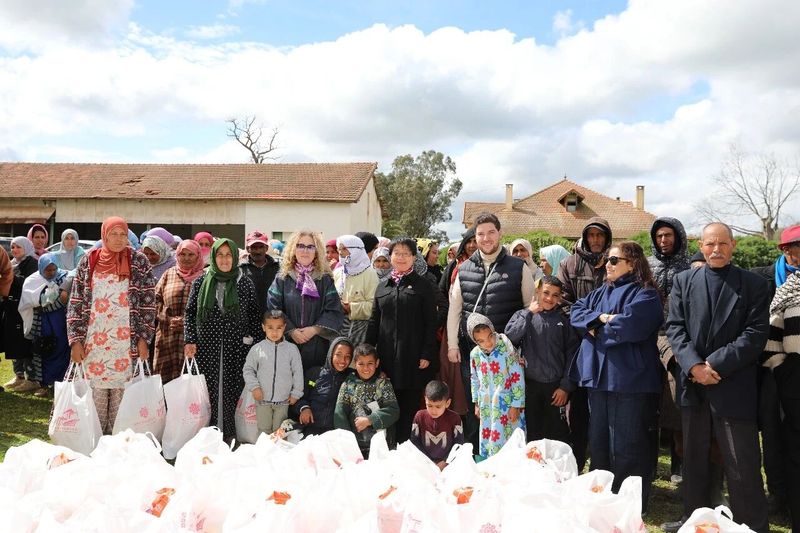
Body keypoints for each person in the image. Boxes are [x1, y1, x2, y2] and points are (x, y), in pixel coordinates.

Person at [662, 222, 770, 533]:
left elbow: (755, 334)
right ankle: (695, 521)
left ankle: (751, 525)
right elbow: (675, 328)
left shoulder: (754, 284)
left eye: (723, 243)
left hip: (733, 384)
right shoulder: (684, 281)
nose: (716, 249)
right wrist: (694, 366)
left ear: (733, 245)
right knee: (694, 460)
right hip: (694, 385)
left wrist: (714, 364)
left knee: (741, 463)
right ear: (701, 246)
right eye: (710, 244)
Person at [570, 241, 663, 510]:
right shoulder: (600, 292)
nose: (607, 265)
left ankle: (628, 504)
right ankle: (602, 499)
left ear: (632, 263)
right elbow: (576, 312)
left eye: (614, 260)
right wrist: (603, 319)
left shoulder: (646, 294)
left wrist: (595, 328)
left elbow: (631, 326)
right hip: (598, 378)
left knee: (627, 445)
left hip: (629, 380)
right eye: (607, 260)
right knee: (599, 442)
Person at [447, 214, 534, 449]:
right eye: (480, 234)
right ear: (474, 237)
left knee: (510, 409)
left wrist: (524, 348)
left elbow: (529, 308)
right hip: (474, 353)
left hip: (507, 355)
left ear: (500, 233)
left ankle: (511, 455)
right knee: (478, 405)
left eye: (491, 232)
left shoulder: (518, 267)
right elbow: (455, 310)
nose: (486, 238)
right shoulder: (464, 269)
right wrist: (453, 345)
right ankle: (481, 454)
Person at [67, 217, 157, 434]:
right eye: (113, 234)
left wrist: (144, 339)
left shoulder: (139, 261)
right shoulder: (89, 260)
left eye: (122, 234)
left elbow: (148, 303)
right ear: (104, 236)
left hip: (126, 348)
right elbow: (76, 302)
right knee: (94, 410)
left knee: (122, 413)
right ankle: (95, 447)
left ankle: (118, 449)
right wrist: (75, 341)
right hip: (93, 347)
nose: (118, 239)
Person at [184, 238, 261, 441]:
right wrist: (190, 339)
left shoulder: (244, 283)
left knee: (232, 389)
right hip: (206, 346)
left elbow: (254, 315)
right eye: (220, 255)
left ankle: (229, 434)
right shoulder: (201, 282)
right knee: (208, 389)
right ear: (213, 257)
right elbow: (190, 313)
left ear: (235, 257)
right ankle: (208, 434)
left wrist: (254, 344)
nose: (224, 259)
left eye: (228, 255)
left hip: (236, 347)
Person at [366, 237, 438, 444]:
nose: (401, 257)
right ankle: (388, 449)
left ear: (414, 257)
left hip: (413, 359)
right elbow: (374, 322)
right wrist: (368, 353)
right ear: (390, 257)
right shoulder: (383, 286)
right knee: (387, 405)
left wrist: (427, 353)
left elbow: (431, 323)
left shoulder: (423, 286)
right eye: (397, 253)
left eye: (406, 253)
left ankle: (406, 447)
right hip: (387, 359)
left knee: (409, 407)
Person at [557, 216, 613, 473]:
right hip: (579, 343)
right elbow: (563, 301)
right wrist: (587, 324)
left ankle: (602, 467)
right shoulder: (570, 264)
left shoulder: (614, 262)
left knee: (604, 411)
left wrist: (602, 326)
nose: (595, 239)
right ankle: (577, 463)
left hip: (609, 343)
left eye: (600, 235)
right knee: (578, 410)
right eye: (591, 235)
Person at [751, 224, 800, 516]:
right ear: (786, 249)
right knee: (771, 432)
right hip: (768, 368)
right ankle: (778, 494)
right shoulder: (761, 278)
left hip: (795, 368)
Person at [505, 276, 578, 443]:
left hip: (556, 388)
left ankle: (559, 460)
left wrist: (565, 387)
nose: (549, 298)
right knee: (533, 432)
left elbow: (572, 355)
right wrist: (529, 313)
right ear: (537, 292)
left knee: (558, 433)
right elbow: (510, 338)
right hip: (530, 387)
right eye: (546, 293)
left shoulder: (564, 320)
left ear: (560, 297)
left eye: (555, 295)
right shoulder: (523, 314)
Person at [647, 217, 691, 486]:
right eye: (659, 236)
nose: (663, 240)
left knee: (675, 401)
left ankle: (679, 463)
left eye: (668, 235)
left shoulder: (688, 266)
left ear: (678, 237)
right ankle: (650, 463)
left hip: (677, 338)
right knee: (650, 403)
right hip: (648, 338)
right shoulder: (647, 266)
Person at [267, 230, 344, 370]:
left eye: (310, 247)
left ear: (316, 251)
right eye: (300, 246)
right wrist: (291, 331)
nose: (305, 251)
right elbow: (273, 307)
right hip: (287, 343)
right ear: (293, 249)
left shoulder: (324, 279)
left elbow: (334, 310)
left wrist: (314, 330)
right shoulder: (283, 278)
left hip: (317, 346)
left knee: (313, 380)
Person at [762, 259, 800, 532]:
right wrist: (782, 369)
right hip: (795, 376)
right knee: (796, 451)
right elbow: (772, 336)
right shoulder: (790, 288)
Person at [468, 312, 525, 458]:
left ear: (493, 331)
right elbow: (474, 379)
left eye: (490, 337)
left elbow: (517, 376)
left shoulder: (506, 348)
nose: (488, 343)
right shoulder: (475, 354)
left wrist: (516, 405)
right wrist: (476, 403)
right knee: (490, 441)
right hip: (487, 407)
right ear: (475, 341)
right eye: (481, 341)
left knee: (510, 442)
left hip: (507, 406)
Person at [243, 310, 304, 434]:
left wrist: (296, 393)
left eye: (279, 328)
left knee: (279, 432)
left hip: (283, 401)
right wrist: (254, 387)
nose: (275, 332)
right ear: (263, 327)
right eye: (270, 327)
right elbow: (248, 370)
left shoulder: (292, 349)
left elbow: (298, 372)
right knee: (264, 430)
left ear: (284, 327)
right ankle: (264, 447)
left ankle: (279, 447)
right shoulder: (257, 349)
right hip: (262, 400)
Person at [152, 239, 205, 383]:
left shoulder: (205, 278)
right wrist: (168, 318)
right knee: (164, 384)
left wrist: (187, 322)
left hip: (193, 339)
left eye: (191, 255)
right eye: (183, 254)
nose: (186, 258)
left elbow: (210, 308)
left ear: (198, 256)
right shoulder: (168, 274)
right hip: (166, 337)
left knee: (189, 385)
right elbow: (155, 300)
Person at [19, 254, 72, 397]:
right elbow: (31, 302)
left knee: (61, 351)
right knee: (43, 351)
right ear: (41, 268)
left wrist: (51, 304)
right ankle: (44, 384)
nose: (51, 273)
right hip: (42, 324)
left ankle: (60, 384)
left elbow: (66, 299)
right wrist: (52, 303)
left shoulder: (65, 277)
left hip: (60, 323)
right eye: (48, 270)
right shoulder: (33, 280)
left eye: (54, 269)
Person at [334, 343, 400, 457]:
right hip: (355, 446)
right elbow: (340, 414)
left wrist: (370, 420)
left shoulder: (383, 384)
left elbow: (393, 411)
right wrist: (348, 442)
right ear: (355, 364)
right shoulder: (348, 385)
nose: (365, 368)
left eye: (370, 363)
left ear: (377, 363)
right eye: (361, 364)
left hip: (381, 445)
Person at [292, 336, 354, 436]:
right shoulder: (314, 373)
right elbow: (297, 397)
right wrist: (304, 408)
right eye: (338, 355)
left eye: (347, 356)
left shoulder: (352, 377)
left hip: (336, 433)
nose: (343, 360)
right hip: (311, 429)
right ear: (331, 354)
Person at [3, 237, 39, 392]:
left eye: (18, 247)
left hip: (25, 308)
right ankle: (19, 376)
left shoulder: (32, 263)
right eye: (13, 247)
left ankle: (31, 378)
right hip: (11, 307)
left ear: (26, 247)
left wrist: (10, 277)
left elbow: (29, 283)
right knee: (13, 340)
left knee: (26, 341)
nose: (15, 250)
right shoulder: (12, 264)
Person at [334, 235, 379, 346]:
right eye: (339, 249)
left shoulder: (370, 274)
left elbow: (374, 306)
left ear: (355, 250)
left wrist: (350, 308)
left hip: (361, 331)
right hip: (337, 328)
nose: (340, 253)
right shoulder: (338, 273)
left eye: (344, 249)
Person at [410, 380, 464, 470]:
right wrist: (427, 462)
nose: (433, 411)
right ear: (425, 400)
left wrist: (446, 461)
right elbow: (414, 442)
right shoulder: (419, 416)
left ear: (447, 403)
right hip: (424, 464)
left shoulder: (455, 418)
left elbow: (459, 444)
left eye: (438, 406)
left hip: (448, 465)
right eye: (429, 405)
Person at [240, 230, 280, 322]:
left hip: (273, 321)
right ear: (248, 249)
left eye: (261, 247)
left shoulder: (278, 268)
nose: (258, 251)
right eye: (254, 247)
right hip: (249, 322)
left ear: (266, 248)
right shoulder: (240, 269)